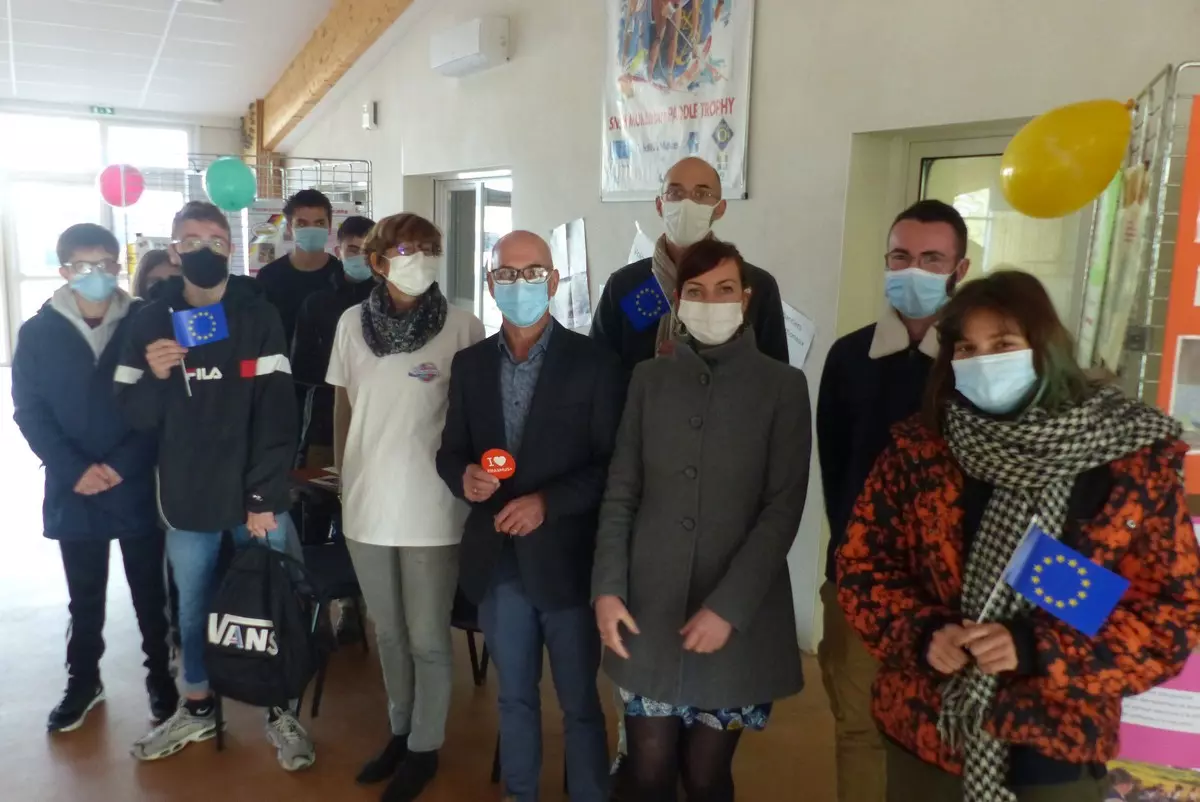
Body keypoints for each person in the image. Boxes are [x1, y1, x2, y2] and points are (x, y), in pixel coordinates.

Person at [836, 270, 1200, 802]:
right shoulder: (921, 450)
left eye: (1003, 344)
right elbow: (862, 568)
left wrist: (1035, 648)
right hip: (929, 734)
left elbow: (1170, 619)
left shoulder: (1128, 462)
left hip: (1055, 748)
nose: (982, 361)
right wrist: (923, 632)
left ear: (1045, 348)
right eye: (966, 348)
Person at [593, 238, 811, 802]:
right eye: (696, 291)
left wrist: (729, 607)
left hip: (738, 617)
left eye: (724, 289)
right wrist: (607, 589)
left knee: (707, 776)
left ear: (746, 298)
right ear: (677, 300)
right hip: (648, 609)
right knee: (647, 771)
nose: (711, 302)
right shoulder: (648, 379)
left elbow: (782, 509)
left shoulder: (784, 387)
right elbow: (621, 492)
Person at [114, 201, 313, 770]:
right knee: (194, 608)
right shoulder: (149, 320)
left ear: (232, 249)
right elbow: (133, 416)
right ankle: (197, 706)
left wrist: (263, 497)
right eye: (191, 240)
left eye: (216, 240)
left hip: (257, 499)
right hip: (187, 498)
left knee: (271, 603)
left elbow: (278, 413)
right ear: (174, 251)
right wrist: (155, 376)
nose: (205, 249)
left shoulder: (258, 314)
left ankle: (279, 708)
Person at [437, 231, 624, 802]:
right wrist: (464, 475)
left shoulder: (595, 364)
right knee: (514, 698)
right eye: (508, 274)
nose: (521, 284)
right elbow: (450, 451)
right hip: (499, 563)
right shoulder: (470, 365)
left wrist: (547, 503)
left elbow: (612, 465)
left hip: (567, 563)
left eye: (533, 272)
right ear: (492, 285)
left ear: (554, 280)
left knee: (579, 703)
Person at [816, 198, 970, 802]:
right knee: (859, 727)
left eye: (932, 259)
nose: (914, 270)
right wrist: (849, 559)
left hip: (951, 592)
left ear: (960, 269)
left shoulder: (976, 362)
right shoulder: (849, 357)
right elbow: (835, 468)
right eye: (901, 256)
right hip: (860, 581)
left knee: (944, 732)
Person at [327, 213, 484, 802]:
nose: (418, 257)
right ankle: (400, 730)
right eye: (404, 248)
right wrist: (344, 480)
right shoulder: (350, 324)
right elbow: (344, 408)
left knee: (427, 637)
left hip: (433, 508)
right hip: (367, 505)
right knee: (388, 632)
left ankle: (425, 746)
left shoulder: (463, 327)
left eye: (428, 247)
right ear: (376, 261)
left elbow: (476, 418)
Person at [12, 223, 176, 733]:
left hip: (134, 480)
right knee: (84, 597)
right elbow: (29, 411)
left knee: (149, 593)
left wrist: (123, 464)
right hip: (74, 485)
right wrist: (72, 469)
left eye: (106, 265)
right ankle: (83, 681)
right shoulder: (38, 333)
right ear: (64, 271)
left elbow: (160, 403)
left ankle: (161, 678)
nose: (97, 275)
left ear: (118, 267)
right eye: (84, 267)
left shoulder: (143, 323)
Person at [590, 156, 789, 373]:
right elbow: (596, 372)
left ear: (720, 209)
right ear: (660, 205)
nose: (687, 204)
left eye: (701, 194)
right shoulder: (624, 286)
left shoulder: (755, 286)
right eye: (675, 193)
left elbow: (775, 376)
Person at [292, 214, 377, 468]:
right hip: (324, 421)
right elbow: (301, 366)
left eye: (368, 251)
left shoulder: (389, 302)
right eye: (353, 250)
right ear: (338, 251)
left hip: (378, 416)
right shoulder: (318, 302)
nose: (361, 257)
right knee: (323, 484)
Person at [256, 188, 343, 351]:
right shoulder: (269, 276)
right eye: (302, 224)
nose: (312, 230)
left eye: (319, 223)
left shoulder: (342, 275)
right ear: (290, 227)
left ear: (329, 227)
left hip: (333, 366)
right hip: (283, 365)